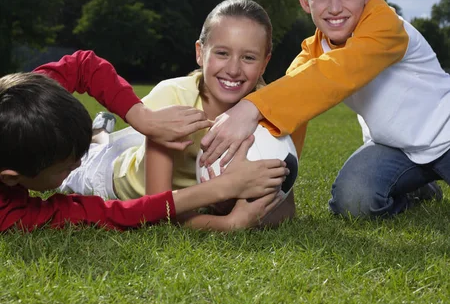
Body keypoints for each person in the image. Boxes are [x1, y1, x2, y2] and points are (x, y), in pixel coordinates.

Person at [200, 0, 450, 218]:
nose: (334, 7)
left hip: (445, 134)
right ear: (305, 1)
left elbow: (337, 71)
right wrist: (273, 180)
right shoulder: (314, 50)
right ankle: (418, 189)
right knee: (353, 203)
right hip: (393, 149)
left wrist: (251, 106)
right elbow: (292, 99)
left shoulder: (385, 26)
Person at [59, 0, 296, 230]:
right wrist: (228, 221)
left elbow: (285, 211)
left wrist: (248, 205)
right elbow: (156, 211)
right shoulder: (173, 97)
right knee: (82, 156)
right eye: (222, 53)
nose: (233, 70)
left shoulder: (267, 107)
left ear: (265, 63)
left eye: (248, 58)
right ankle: (98, 136)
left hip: (149, 155)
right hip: (114, 177)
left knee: (125, 141)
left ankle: (103, 132)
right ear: (200, 53)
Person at [0, 51, 286, 231]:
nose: (72, 165)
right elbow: (108, 213)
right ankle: (100, 138)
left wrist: (144, 119)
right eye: (64, 166)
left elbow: (84, 66)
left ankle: (99, 136)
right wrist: (224, 191)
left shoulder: (21, 96)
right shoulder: (8, 213)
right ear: (11, 178)